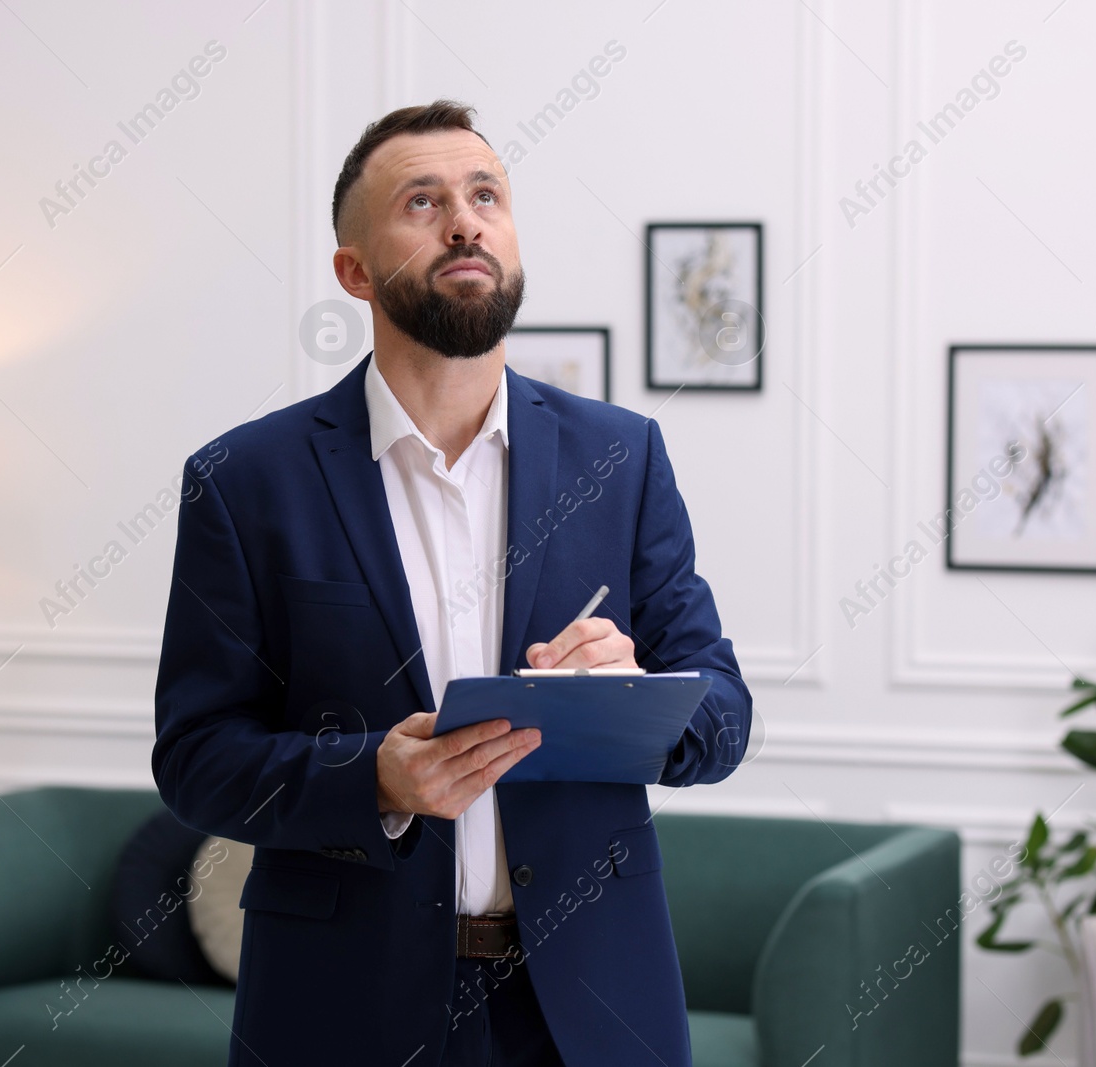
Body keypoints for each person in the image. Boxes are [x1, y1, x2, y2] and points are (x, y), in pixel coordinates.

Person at [153, 98, 751, 1067]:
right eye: (421, 201)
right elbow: (195, 759)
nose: (464, 219)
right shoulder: (243, 482)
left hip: (594, 1007)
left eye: (486, 196)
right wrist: (373, 777)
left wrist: (638, 689)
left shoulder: (622, 456)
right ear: (353, 270)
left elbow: (722, 720)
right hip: (338, 1009)